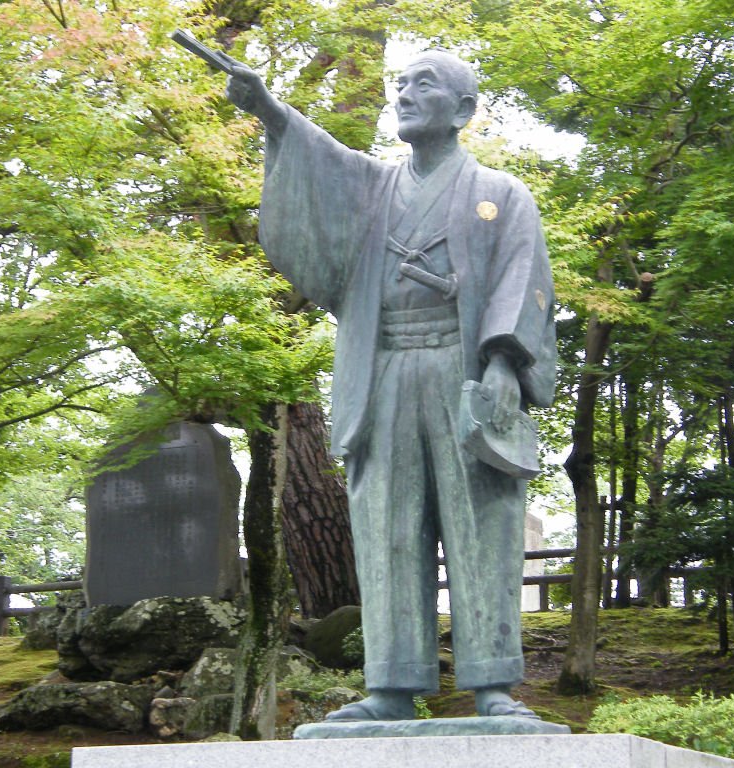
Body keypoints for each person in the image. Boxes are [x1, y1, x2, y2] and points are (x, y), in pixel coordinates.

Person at [225, 50, 556, 721]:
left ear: (463, 110)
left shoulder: (501, 194)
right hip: (382, 374)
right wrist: (270, 111)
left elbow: (526, 281)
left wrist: (503, 364)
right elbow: (319, 157)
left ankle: (493, 683)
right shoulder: (374, 188)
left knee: (481, 526)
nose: (402, 94)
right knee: (388, 529)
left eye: (423, 85)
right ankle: (391, 685)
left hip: (465, 374)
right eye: (399, 84)